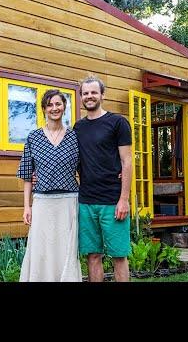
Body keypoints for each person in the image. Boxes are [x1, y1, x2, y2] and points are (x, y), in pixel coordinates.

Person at [17, 89, 82, 282]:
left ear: (64, 107)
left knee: (65, 250)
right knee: (40, 249)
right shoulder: (33, 137)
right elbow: (27, 174)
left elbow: (88, 167)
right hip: (42, 202)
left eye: (58, 104)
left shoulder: (74, 137)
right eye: (50, 105)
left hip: (69, 201)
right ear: (44, 109)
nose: (54, 108)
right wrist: (27, 206)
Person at [75, 75, 133, 282]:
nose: (89, 96)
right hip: (87, 202)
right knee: (93, 255)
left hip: (112, 201)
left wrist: (124, 199)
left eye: (93, 92)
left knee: (119, 255)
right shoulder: (78, 128)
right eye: (85, 93)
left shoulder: (118, 123)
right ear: (81, 96)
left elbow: (127, 161)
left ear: (102, 95)